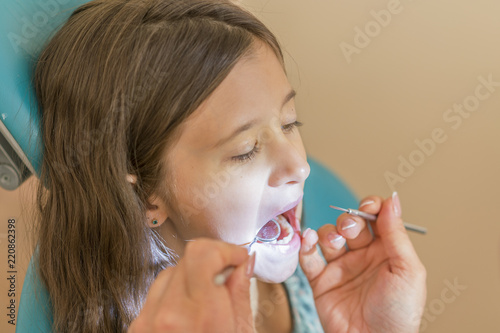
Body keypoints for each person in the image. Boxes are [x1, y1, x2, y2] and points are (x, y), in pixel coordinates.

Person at [33, 0, 426, 331]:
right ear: (144, 194)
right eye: (245, 150)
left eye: (290, 123)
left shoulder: (316, 276)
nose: (300, 166)